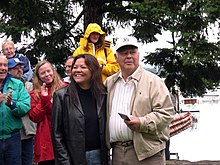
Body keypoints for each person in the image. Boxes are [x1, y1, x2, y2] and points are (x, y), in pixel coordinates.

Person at [104, 36, 174, 165]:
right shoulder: (109, 82)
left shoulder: (154, 81)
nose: (129, 56)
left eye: (132, 52)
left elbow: (166, 113)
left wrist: (142, 122)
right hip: (117, 152)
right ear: (116, 57)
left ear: (138, 55)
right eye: (124, 53)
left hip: (148, 153)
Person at [51, 54, 109, 165]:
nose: (77, 70)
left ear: (93, 70)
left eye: (83, 67)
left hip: (99, 156)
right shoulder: (62, 96)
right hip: (73, 158)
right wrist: (65, 161)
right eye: (75, 67)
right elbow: (56, 134)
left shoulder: (103, 94)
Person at [28, 60, 65, 165]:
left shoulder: (64, 88)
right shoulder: (34, 94)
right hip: (46, 138)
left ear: (53, 71)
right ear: (38, 77)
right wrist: (44, 100)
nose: (47, 74)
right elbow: (34, 117)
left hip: (63, 136)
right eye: (43, 73)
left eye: (48, 71)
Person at [0, 55, 30, 165]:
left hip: (12, 138)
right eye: (0, 65)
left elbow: (26, 106)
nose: (2, 68)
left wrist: (12, 104)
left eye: (5, 65)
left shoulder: (17, 84)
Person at [7, 58, 36, 165]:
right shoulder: (5, 86)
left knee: (27, 161)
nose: (19, 70)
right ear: (8, 70)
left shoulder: (29, 85)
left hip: (28, 132)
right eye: (15, 68)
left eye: (21, 67)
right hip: (12, 133)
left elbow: (29, 105)